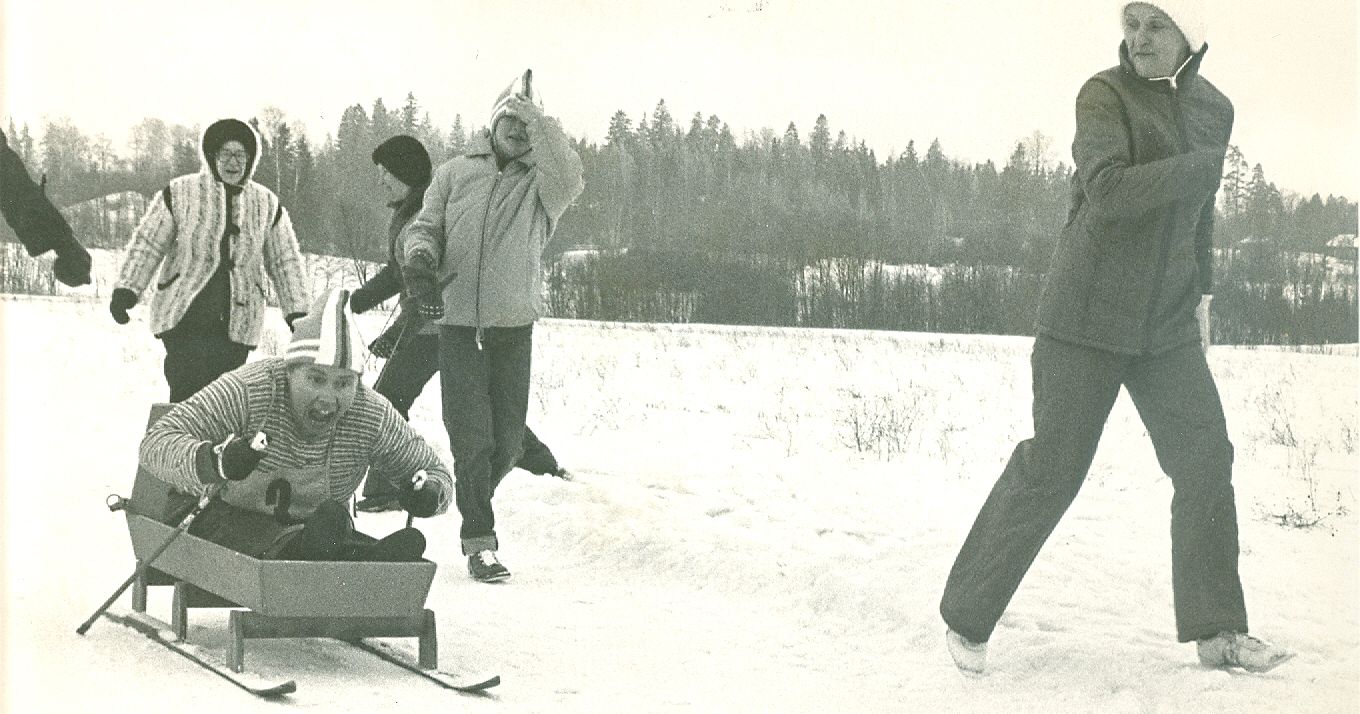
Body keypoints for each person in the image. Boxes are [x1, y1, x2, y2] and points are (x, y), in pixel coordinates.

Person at [938, 1, 1292, 675]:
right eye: (1132, 24)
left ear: (1190, 35)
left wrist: (1205, 296)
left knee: (1205, 459)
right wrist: (1198, 168)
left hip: (1165, 326)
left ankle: (1219, 632)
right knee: (1055, 468)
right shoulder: (1103, 95)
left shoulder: (1214, 109)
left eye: (1155, 25)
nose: (1138, 39)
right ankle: (966, 614)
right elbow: (1108, 191)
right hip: (1085, 318)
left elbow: (1200, 217)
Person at [401, 70, 584, 581]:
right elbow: (425, 225)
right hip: (456, 326)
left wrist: (537, 115)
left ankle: (473, 491)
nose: (519, 130)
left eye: (528, 124)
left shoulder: (545, 187)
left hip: (512, 330)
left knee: (506, 443)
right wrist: (419, 258)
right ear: (493, 122)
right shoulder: (456, 172)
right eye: (511, 119)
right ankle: (479, 541)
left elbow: (569, 169)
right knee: (472, 437)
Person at [138, 288, 454, 561]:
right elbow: (157, 442)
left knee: (326, 533)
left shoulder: (368, 412)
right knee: (264, 533)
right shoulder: (250, 390)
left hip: (313, 530)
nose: (329, 398)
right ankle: (349, 559)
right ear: (289, 371)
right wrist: (216, 459)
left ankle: (362, 559)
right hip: (218, 512)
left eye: (343, 383)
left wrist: (428, 492)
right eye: (316, 379)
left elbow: (435, 472)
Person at [350, 135, 571, 514]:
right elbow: (405, 274)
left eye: (386, 173)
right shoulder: (409, 209)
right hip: (429, 323)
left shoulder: (424, 211)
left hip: (438, 324)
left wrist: (368, 310)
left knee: (389, 400)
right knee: (478, 408)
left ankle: (386, 487)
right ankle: (541, 464)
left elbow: (421, 276)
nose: (381, 180)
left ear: (403, 174)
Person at [111, 118, 311, 403]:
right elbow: (149, 242)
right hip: (186, 317)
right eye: (225, 154)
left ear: (250, 160)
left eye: (240, 155)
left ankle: (216, 448)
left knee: (224, 399)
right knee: (187, 395)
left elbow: (285, 260)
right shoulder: (180, 193)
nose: (233, 162)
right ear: (212, 156)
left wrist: (298, 312)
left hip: (237, 324)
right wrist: (127, 289)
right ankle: (180, 445)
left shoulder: (266, 203)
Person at [0, 128, 92, 287]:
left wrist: (35, 195)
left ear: (73, 257)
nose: (83, 251)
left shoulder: (51, 235)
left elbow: (16, 197)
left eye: (82, 258)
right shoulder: (53, 237)